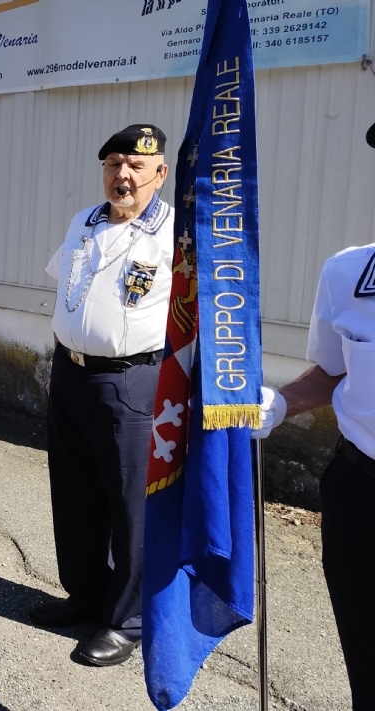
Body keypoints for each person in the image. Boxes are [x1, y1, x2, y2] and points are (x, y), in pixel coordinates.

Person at [30, 124, 173, 667]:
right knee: (74, 494)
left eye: (137, 166)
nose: (123, 175)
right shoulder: (83, 223)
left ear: (160, 173)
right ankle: (85, 595)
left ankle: (129, 619)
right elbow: (65, 288)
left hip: (131, 382)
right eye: (114, 164)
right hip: (70, 373)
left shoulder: (175, 235)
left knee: (129, 505)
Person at [252, 123, 375, 709]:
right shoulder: (347, 275)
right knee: (367, 659)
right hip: (362, 495)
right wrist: (279, 402)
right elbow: (331, 373)